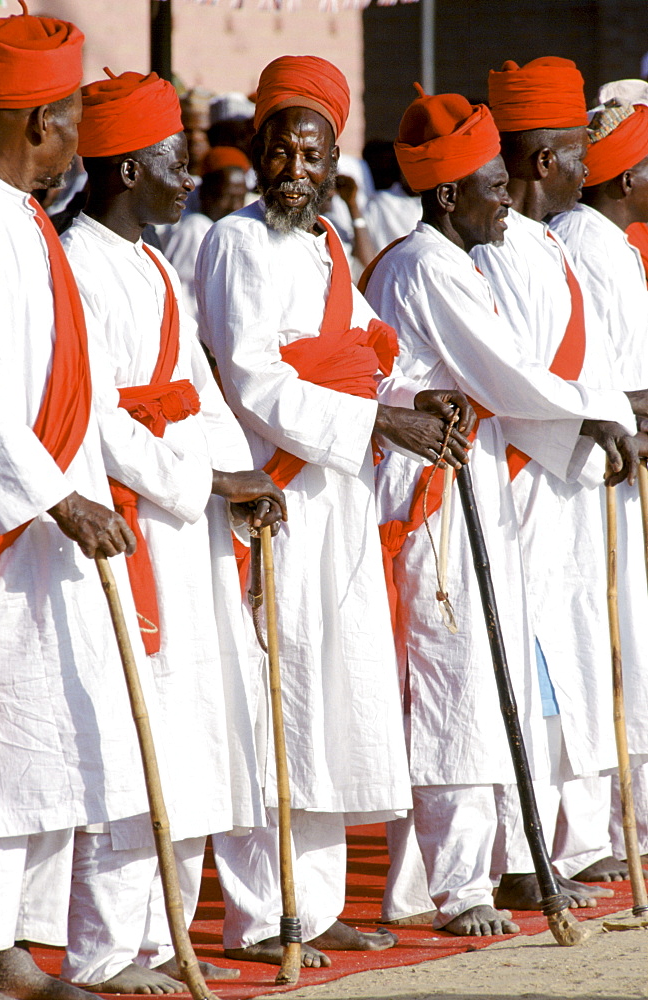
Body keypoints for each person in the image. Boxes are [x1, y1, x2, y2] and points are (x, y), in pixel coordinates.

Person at [195, 53, 474, 968]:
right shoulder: (235, 243)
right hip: (276, 490)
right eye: (280, 151)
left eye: (312, 155)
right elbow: (255, 377)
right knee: (274, 697)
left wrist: (412, 401)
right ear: (258, 148)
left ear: (333, 159)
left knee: (325, 697)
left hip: (338, 493)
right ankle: (260, 913)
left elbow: (359, 351)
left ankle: (311, 906)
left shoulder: (321, 244)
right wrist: (375, 415)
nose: (293, 171)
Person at [365, 86, 638, 936]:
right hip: (438, 497)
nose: (507, 195)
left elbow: (508, 370)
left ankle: (495, 867)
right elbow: (503, 375)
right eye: (491, 183)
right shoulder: (421, 265)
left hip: (477, 476)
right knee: (458, 687)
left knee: (499, 684)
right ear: (448, 194)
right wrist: (605, 412)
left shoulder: (458, 260)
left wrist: (599, 412)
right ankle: (457, 887)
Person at [59, 68, 286, 994]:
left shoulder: (154, 262)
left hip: (184, 527)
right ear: (122, 169)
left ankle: (162, 934)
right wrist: (199, 478)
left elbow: (193, 390)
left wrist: (240, 478)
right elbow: (97, 415)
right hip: (127, 526)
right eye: (171, 162)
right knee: (131, 726)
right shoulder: (72, 262)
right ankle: (107, 947)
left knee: (190, 729)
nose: (188, 179)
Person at [0, 6, 155, 999]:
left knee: (44, 728)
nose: (84, 138)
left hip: (49, 516)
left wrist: (75, 492)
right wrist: (51, 496)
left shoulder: (22, 211)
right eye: (77, 120)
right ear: (38, 120)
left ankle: (17, 939)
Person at [471, 56, 647, 905]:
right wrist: (591, 422)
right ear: (543, 160)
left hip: (579, 475)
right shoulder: (503, 250)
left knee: (579, 657)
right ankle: (519, 851)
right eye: (579, 149)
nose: (592, 163)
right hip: (527, 479)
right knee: (530, 660)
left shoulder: (548, 240)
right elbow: (517, 375)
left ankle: (570, 840)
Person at [550, 97, 648, 866]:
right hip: (589, 472)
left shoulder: (609, 241)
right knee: (603, 644)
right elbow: (602, 385)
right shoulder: (586, 243)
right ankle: (596, 835)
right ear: (626, 179)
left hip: (619, 467)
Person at [164, 145, 250, 317]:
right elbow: (184, 298)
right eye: (227, 197)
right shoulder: (194, 227)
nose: (234, 206)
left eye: (240, 198)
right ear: (205, 194)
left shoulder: (241, 224)